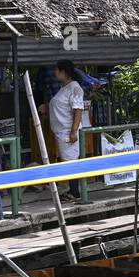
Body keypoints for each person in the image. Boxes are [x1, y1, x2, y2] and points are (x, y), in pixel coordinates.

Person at [45, 60, 89, 198]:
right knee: (68, 161)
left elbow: (78, 110)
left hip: (68, 132)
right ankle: (73, 190)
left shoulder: (74, 88)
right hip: (61, 131)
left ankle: (75, 192)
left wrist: (74, 131)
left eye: (57, 70)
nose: (55, 73)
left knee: (71, 162)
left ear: (64, 72)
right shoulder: (64, 88)